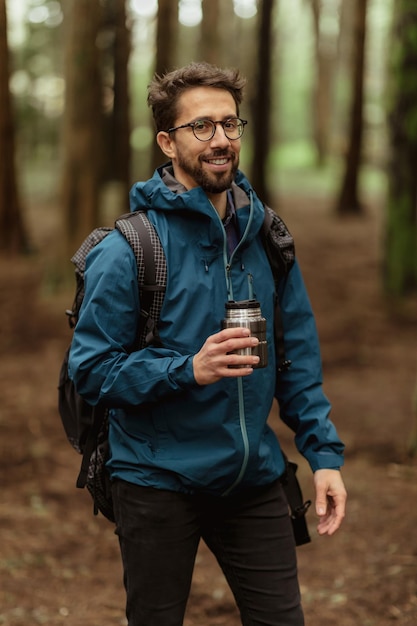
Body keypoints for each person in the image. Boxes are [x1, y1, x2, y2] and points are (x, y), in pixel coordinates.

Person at [69, 62, 347, 626]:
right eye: (202, 127)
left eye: (230, 124)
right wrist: (185, 370)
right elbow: (92, 370)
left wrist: (323, 455)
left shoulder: (265, 236)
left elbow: (296, 357)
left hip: (253, 480)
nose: (220, 140)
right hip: (155, 480)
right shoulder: (129, 250)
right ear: (167, 142)